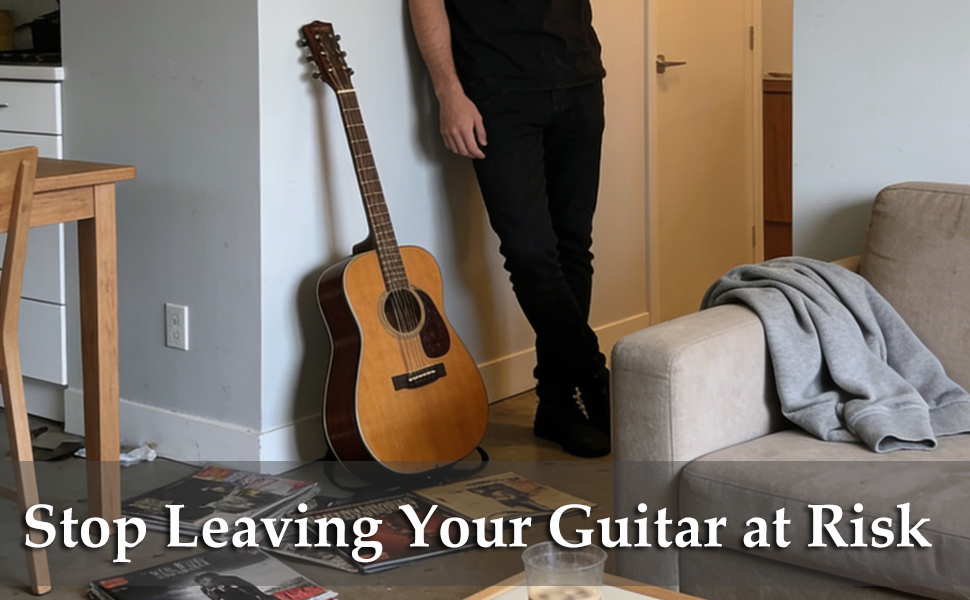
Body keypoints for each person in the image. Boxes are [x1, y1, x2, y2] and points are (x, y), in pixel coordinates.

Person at [409, 0, 611, 457]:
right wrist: (449, 93)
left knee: (573, 248)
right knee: (529, 254)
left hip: (579, 78)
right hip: (497, 92)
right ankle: (595, 377)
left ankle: (557, 403)